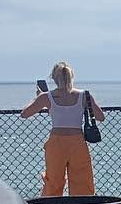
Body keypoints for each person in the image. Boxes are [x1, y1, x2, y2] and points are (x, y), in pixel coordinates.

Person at [21, 62, 103, 197]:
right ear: (71, 77)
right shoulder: (84, 95)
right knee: (82, 180)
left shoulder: (46, 97)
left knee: (53, 180)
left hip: (56, 142)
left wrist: (40, 98)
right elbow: (100, 116)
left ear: (53, 78)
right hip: (78, 142)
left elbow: (25, 114)